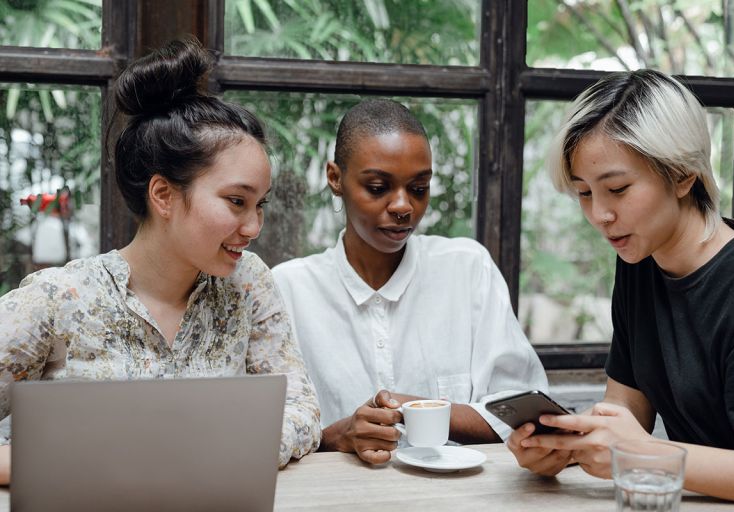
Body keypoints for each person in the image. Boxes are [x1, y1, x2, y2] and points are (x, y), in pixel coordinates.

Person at [0, 38, 321, 482]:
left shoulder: (247, 284)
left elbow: (302, 410)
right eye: (236, 201)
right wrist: (31, 461)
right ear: (163, 195)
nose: (253, 227)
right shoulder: (58, 300)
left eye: (260, 204)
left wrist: (214, 452)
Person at [506, 69, 734, 504]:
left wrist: (637, 453)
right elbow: (627, 413)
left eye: (618, 189)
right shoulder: (639, 260)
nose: (599, 215)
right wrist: (568, 445)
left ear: (684, 175)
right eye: (584, 193)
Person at [272, 99, 547, 464]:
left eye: (419, 189)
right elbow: (258, 435)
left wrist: (415, 408)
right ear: (335, 178)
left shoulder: (466, 269)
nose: (403, 206)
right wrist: (332, 437)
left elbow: (525, 413)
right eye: (377, 187)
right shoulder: (288, 290)